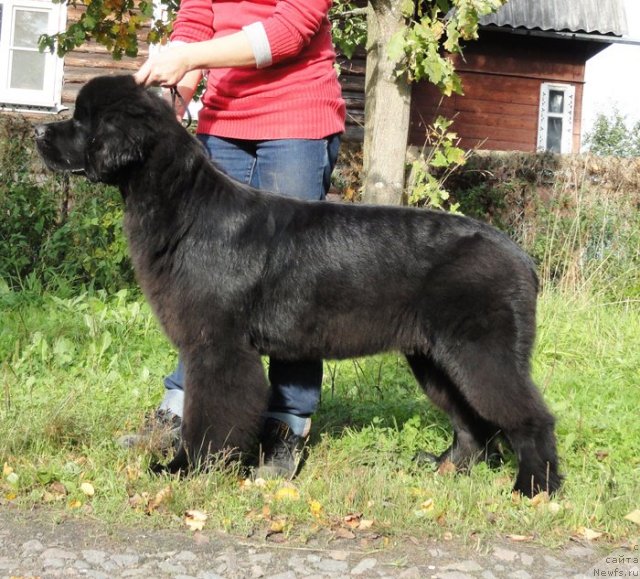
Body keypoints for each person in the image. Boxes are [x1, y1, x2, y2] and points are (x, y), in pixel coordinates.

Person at [125, 0, 346, 479]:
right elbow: (195, 20)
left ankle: (286, 421)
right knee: (199, 287)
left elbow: (290, 29)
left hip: (295, 121)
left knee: (294, 286)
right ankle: (185, 409)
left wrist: (189, 58)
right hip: (222, 122)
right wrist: (175, 88)